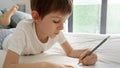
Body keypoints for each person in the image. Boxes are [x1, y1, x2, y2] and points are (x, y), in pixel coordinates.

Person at [2, 0, 97, 68]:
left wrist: (89, 52)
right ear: (36, 17)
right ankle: (5, 18)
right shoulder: (23, 29)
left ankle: (6, 19)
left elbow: (70, 52)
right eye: (56, 21)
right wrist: (46, 65)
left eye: (64, 21)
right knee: (4, 29)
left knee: (12, 27)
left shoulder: (56, 32)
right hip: (5, 38)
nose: (62, 27)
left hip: (16, 32)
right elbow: (8, 66)